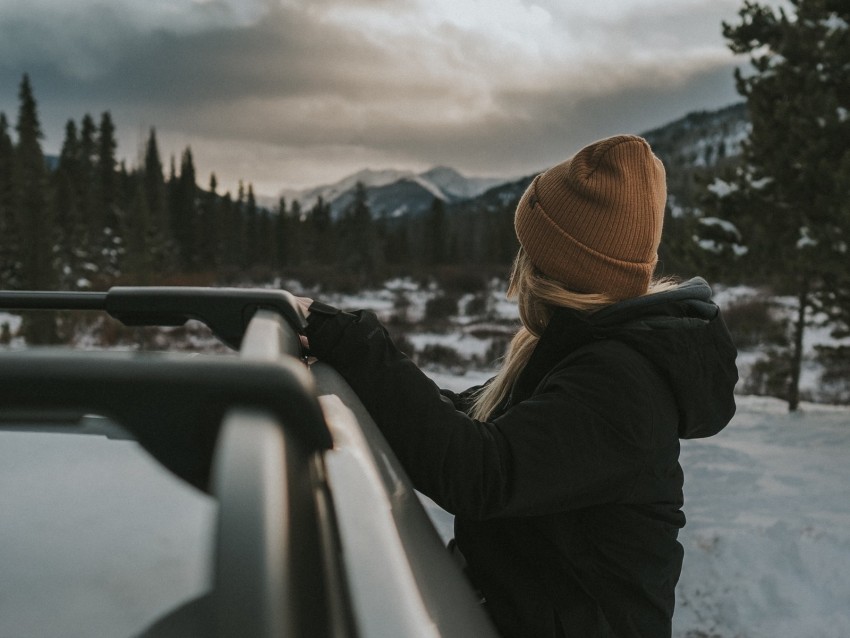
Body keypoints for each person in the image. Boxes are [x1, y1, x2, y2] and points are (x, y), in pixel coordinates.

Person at [297, 134, 738, 637]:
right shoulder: (583, 352)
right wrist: (363, 368)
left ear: (551, 268)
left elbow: (483, 471)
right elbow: (470, 418)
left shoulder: (621, 384)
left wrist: (364, 349)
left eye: (527, 250)